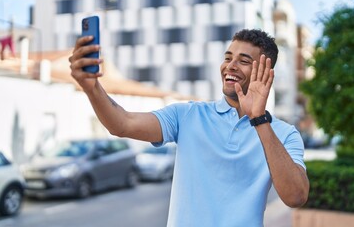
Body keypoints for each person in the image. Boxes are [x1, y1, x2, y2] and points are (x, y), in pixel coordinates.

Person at [69, 29, 309, 227]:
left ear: (266, 73)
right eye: (227, 58)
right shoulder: (187, 115)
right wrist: (92, 88)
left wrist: (259, 119)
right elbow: (122, 124)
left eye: (244, 61)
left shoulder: (285, 134)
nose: (230, 66)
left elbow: (295, 196)